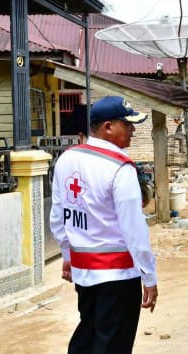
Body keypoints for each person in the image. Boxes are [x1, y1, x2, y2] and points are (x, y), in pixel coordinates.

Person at [50, 96, 158, 354]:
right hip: (118, 275)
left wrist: (67, 255)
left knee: (88, 336)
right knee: (113, 344)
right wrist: (149, 276)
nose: (133, 130)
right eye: (128, 124)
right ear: (108, 127)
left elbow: (58, 214)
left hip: (85, 274)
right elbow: (135, 230)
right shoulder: (119, 167)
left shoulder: (67, 159)